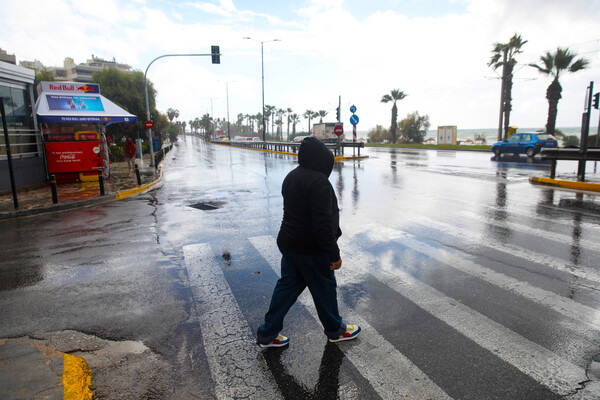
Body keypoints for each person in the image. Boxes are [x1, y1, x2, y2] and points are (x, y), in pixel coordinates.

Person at [256, 137, 361, 348]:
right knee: (324, 289)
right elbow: (322, 224)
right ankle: (335, 330)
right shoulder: (319, 182)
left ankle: (267, 334)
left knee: (286, 288)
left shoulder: (291, 176)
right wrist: (334, 255)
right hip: (311, 248)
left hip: (289, 244)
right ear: (321, 159)